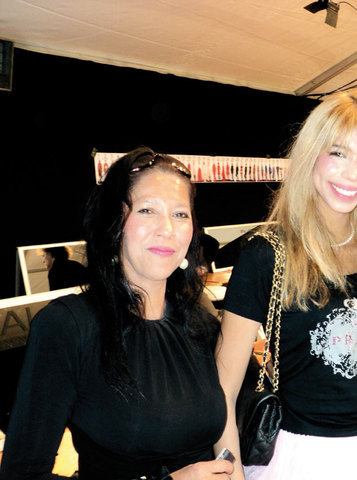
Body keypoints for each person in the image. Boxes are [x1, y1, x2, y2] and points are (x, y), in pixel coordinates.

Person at [215, 90, 357, 480]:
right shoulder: (267, 254)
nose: (353, 174)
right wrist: (231, 476)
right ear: (312, 154)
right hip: (301, 455)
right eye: (338, 153)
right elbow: (224, 390)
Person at [0, 147, 233, 480]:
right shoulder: (68, 327)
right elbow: (21, 474)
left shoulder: (202, 325)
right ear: (114, 223)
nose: (167, 228)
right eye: (147, 210)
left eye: (181, 214)